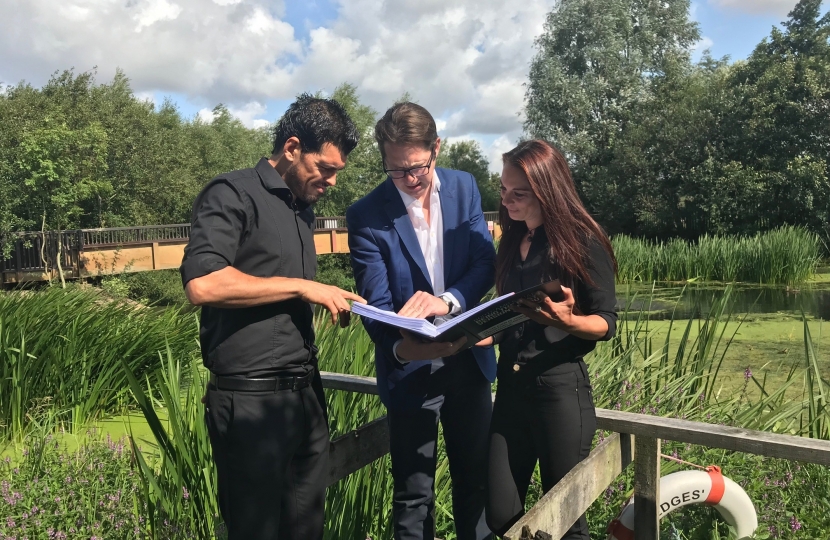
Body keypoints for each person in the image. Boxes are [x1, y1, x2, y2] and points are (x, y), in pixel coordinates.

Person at [179, 94, 365, 540]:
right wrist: (303, 287)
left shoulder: (302, 209)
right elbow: (202, 284)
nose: (333, 182)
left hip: (304, 398)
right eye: (327, 168)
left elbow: (274, 300)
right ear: (293, 147)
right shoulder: (232, 192)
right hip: (250, 406)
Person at [347, 102, 496, 540]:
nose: (409, 181)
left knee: (477, 484)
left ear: (436, 148)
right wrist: (399, 346)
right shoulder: (366, 214)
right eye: (396, 171)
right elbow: (375, 304)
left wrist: (447, 302)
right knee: (413, 496)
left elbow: (484, 263)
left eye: (417, 167)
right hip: (411, 369)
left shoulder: (464, 187)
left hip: (468, 364)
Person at [482, 140, 617, 539]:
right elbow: (512, 315)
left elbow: (607, 323)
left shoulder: (583, 239)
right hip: (509, 391)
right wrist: (476, 334)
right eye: (503, 190)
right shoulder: (511, 239)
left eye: (518, 193)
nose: (507, 200)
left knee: (567, 521)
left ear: (547, 190)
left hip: (559, 390)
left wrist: (570, 320)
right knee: (501, 513)